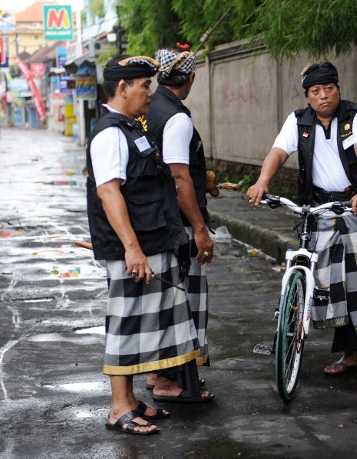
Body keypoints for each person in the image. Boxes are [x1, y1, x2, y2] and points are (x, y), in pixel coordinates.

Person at [245, 62, 357, 381]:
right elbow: (278, 152)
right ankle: (350, 355)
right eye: (316, 91)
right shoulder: (298, 121)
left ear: (338, 89)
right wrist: (262, 181)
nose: (323, 95)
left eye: (329, 88)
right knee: (333, 285)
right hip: (319, 210)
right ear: (308, 97)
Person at [86, 55, 208, 436]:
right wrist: (131, 248)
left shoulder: (130, 128)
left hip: (152, 240)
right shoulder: (109, 133)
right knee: (125, 325)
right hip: (133, 249)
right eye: (144, 86)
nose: (150, 95)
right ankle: (118, 408)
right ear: (122, 88)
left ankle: (133, 400)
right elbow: (109, 193)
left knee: (142, 325)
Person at [142, 45, 215, 396]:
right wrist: (200, 229)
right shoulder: (177, 118)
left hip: (154, 219)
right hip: (177, 225)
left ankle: (158, 374)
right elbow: (179, 178)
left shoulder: (149, 108)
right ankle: (171, 381)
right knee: (183, 300)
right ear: (190, 78)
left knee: (164, 297)